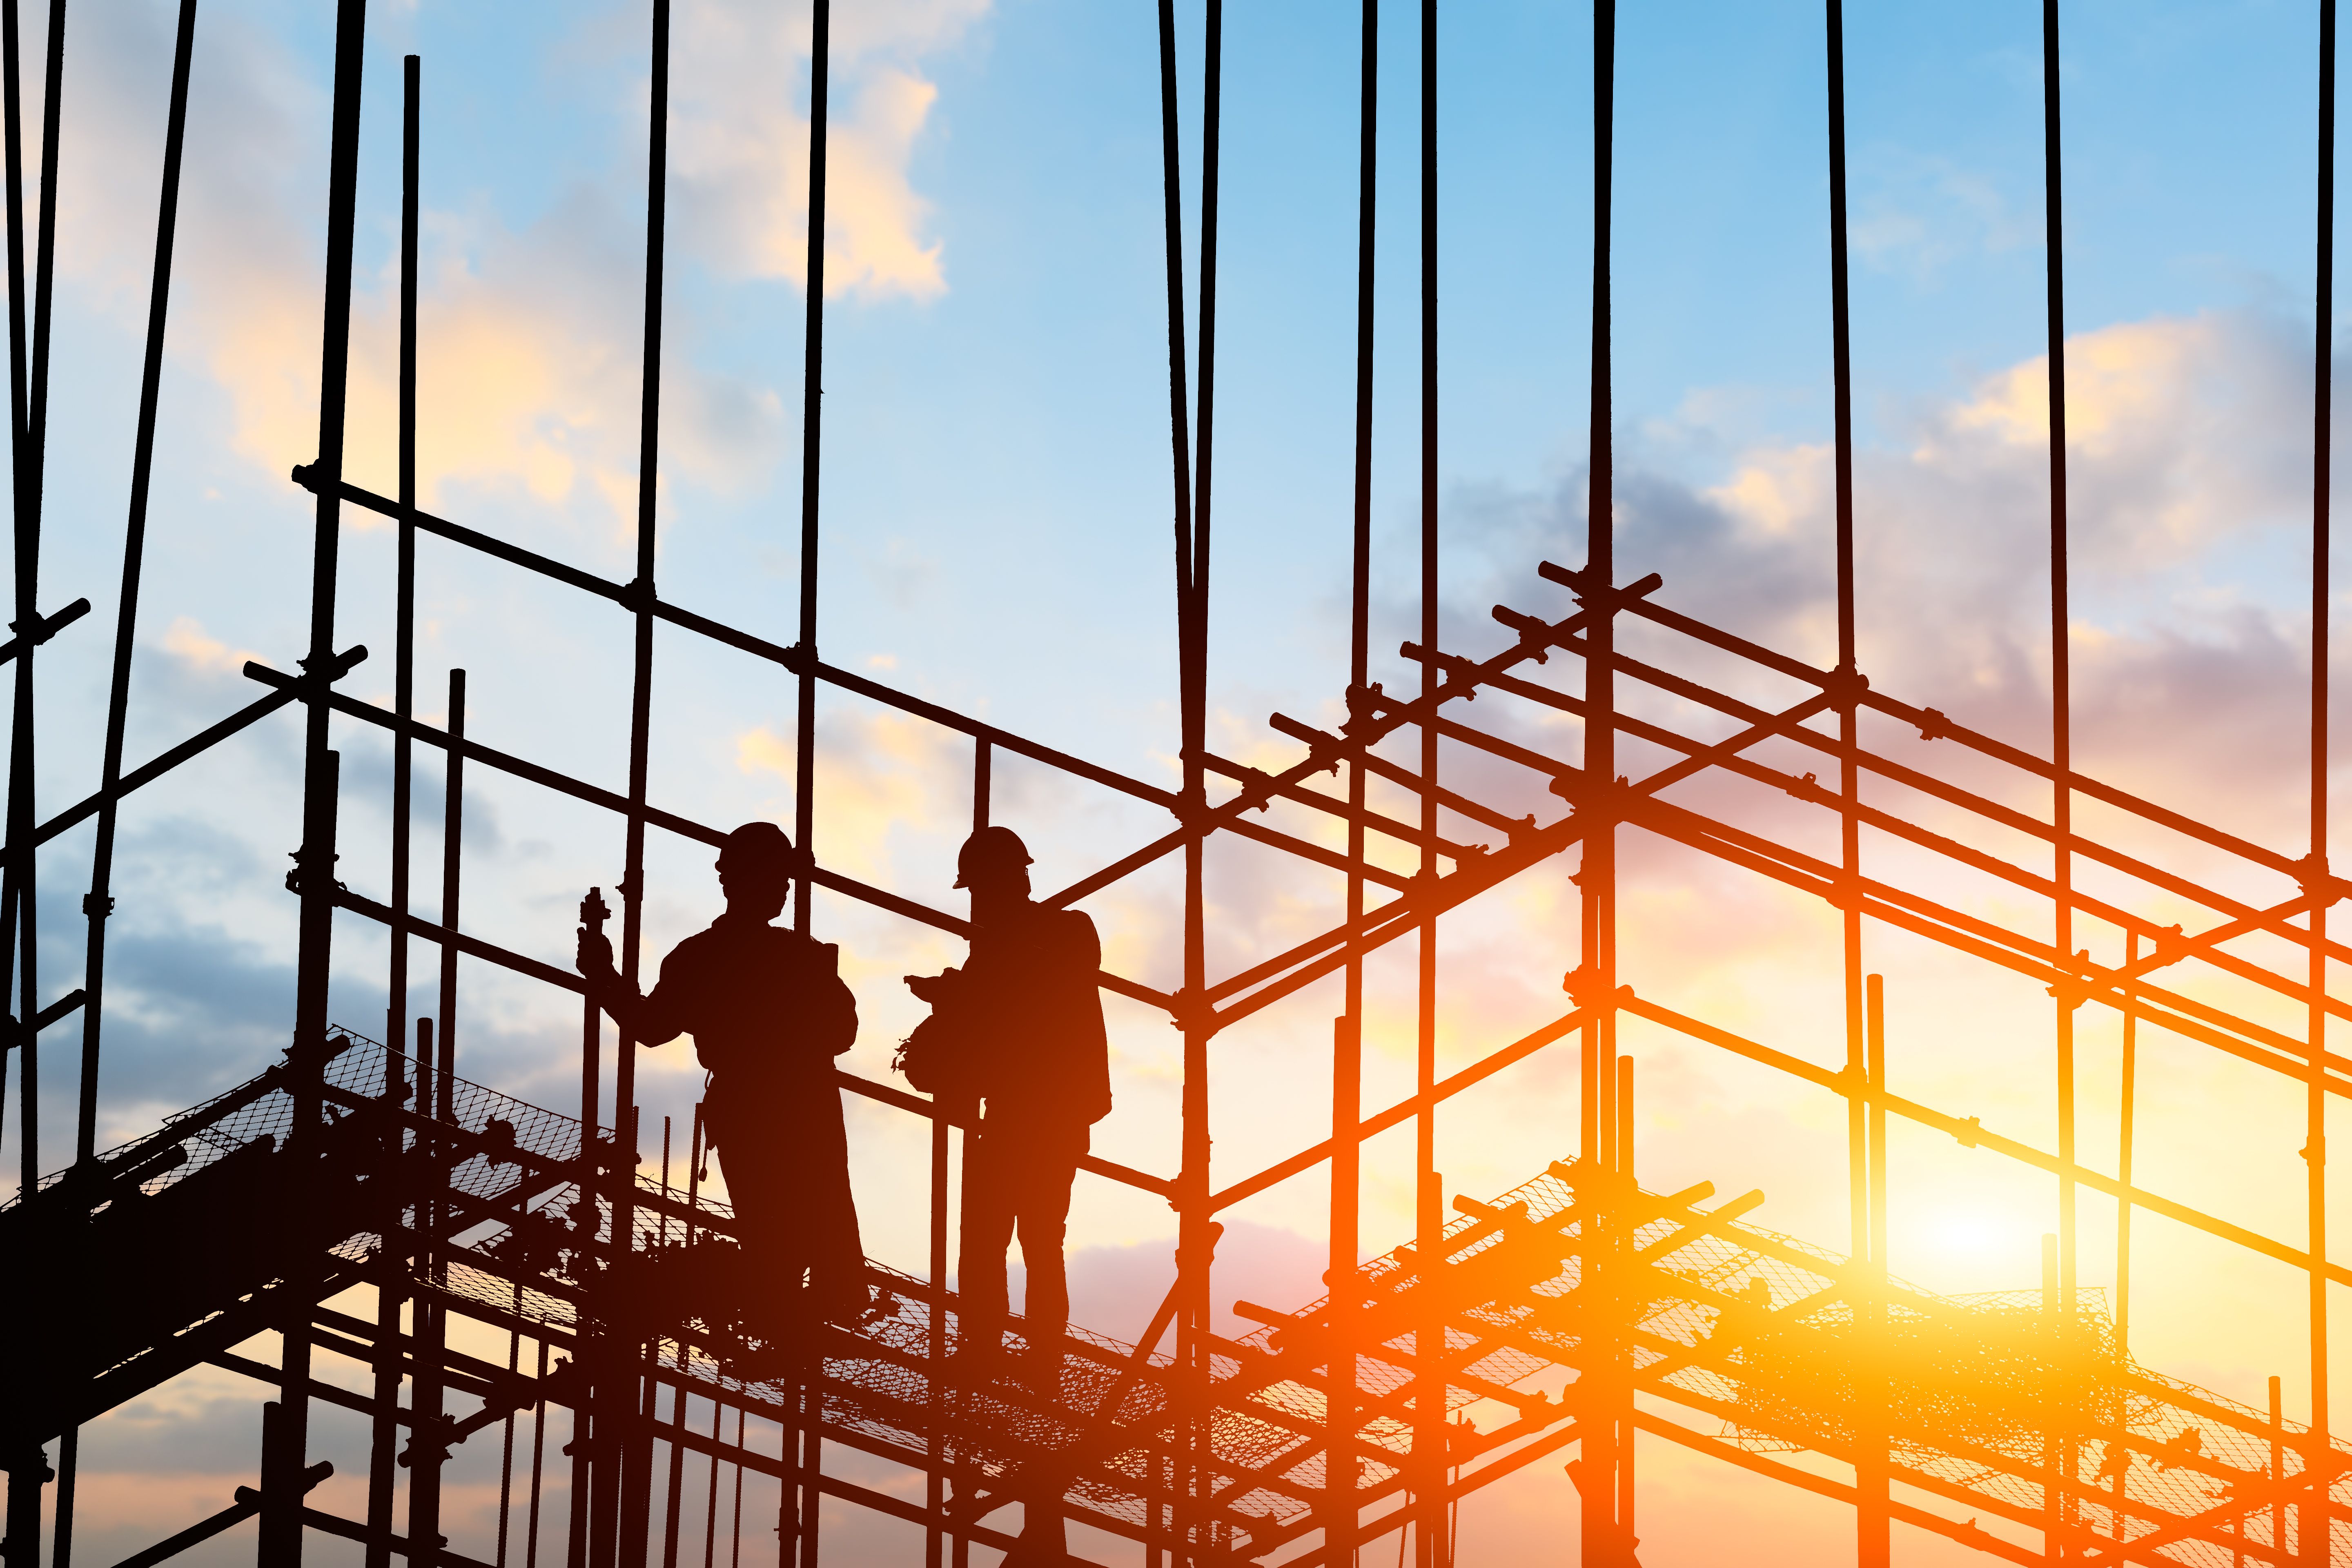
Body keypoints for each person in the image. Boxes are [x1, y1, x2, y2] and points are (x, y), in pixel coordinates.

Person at [576, 821, 868, 1327]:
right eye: (777, 880)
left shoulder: (700, 958)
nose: (783, 891)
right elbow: (843, 1032)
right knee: (816, 1219)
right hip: (801, 1102)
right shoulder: (798, 955)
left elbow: (650, 1027)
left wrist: (604, 977)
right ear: (745, 881)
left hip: (755, 1105)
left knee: (776, 1224)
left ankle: (786, 1315)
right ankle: (807, 1314)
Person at [906, 826, 1111, 1366]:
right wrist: (954, 992)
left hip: (1042, 1113)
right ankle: (995, 1351)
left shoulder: (1062, 932)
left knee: (1023, 1241)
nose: (976, 904)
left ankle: (1023, 1357)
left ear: (1007, 882)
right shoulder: (1008, 946)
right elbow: (992, 1004)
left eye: (979, 891)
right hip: (1023, 1113)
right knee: (1003, 1240)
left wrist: (955, 992)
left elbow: (1022, 994)